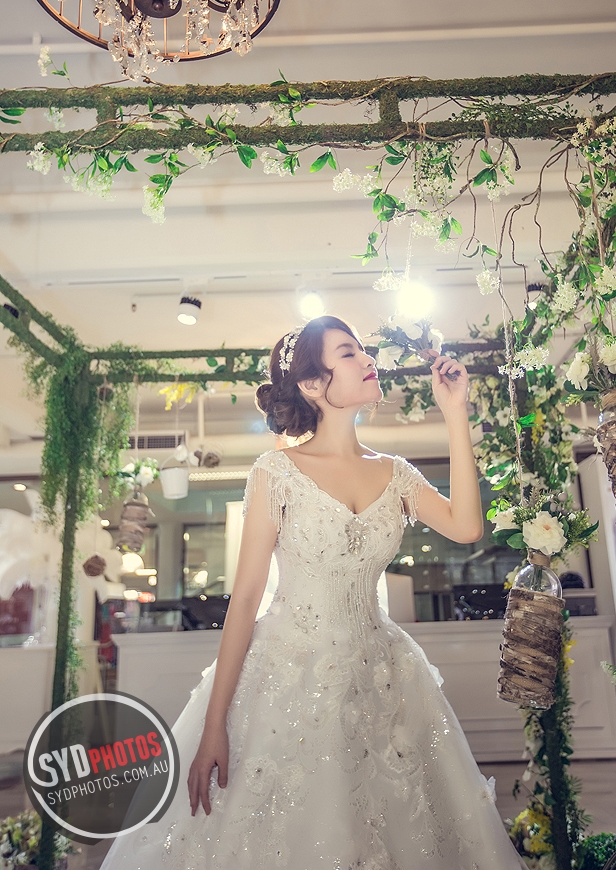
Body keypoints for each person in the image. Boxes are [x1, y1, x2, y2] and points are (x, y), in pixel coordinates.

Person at [100, 315, 525, 869]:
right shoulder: (275, 471)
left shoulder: (396, 473)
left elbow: (467, 526)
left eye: (363, 350)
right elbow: (245, 602)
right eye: (348, 353)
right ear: (311, 383)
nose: (368, 359)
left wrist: (455, 412)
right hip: (287, 675)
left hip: (383, 675)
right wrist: (213, 726)